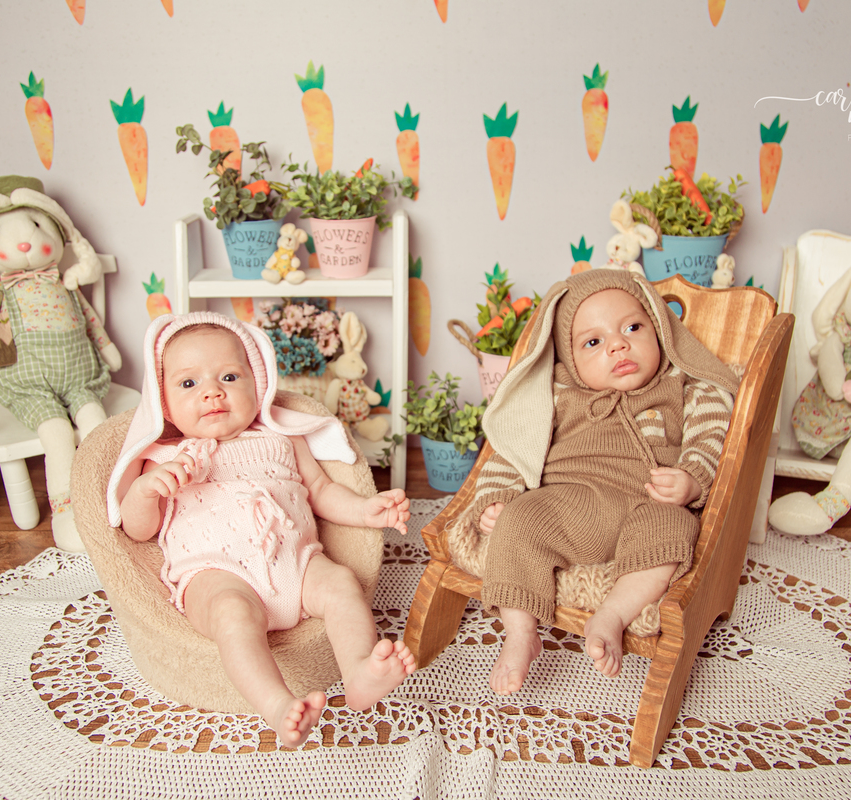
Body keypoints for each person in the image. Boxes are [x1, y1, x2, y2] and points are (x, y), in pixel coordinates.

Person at [105, 312, 413, 747]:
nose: (212, 391)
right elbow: (139, 530)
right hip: (217, 575)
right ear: (164, 404)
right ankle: (276, 704)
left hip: (298, 565)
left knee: (342, 583)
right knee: (233, 616)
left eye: (229, 377)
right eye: (189, 383)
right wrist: (144, 492)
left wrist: (366, 511)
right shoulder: (164, 457)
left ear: (259, 383)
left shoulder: (283, 437)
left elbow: (321, 490)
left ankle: (359, 671)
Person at [458, 269, 740, 695]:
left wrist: (692, 480)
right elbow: (514, 448)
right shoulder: (555, 391)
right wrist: (496, 498)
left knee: (675, 528)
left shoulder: (683, 383)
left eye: (633, 328)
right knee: (518, 523)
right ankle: (520, 632)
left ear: (659, 328)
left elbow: (711, 435)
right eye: (593, 342)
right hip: (571, 503)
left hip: (649, 500)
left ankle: (612, 615)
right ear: (570, 360)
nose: (617, 345)